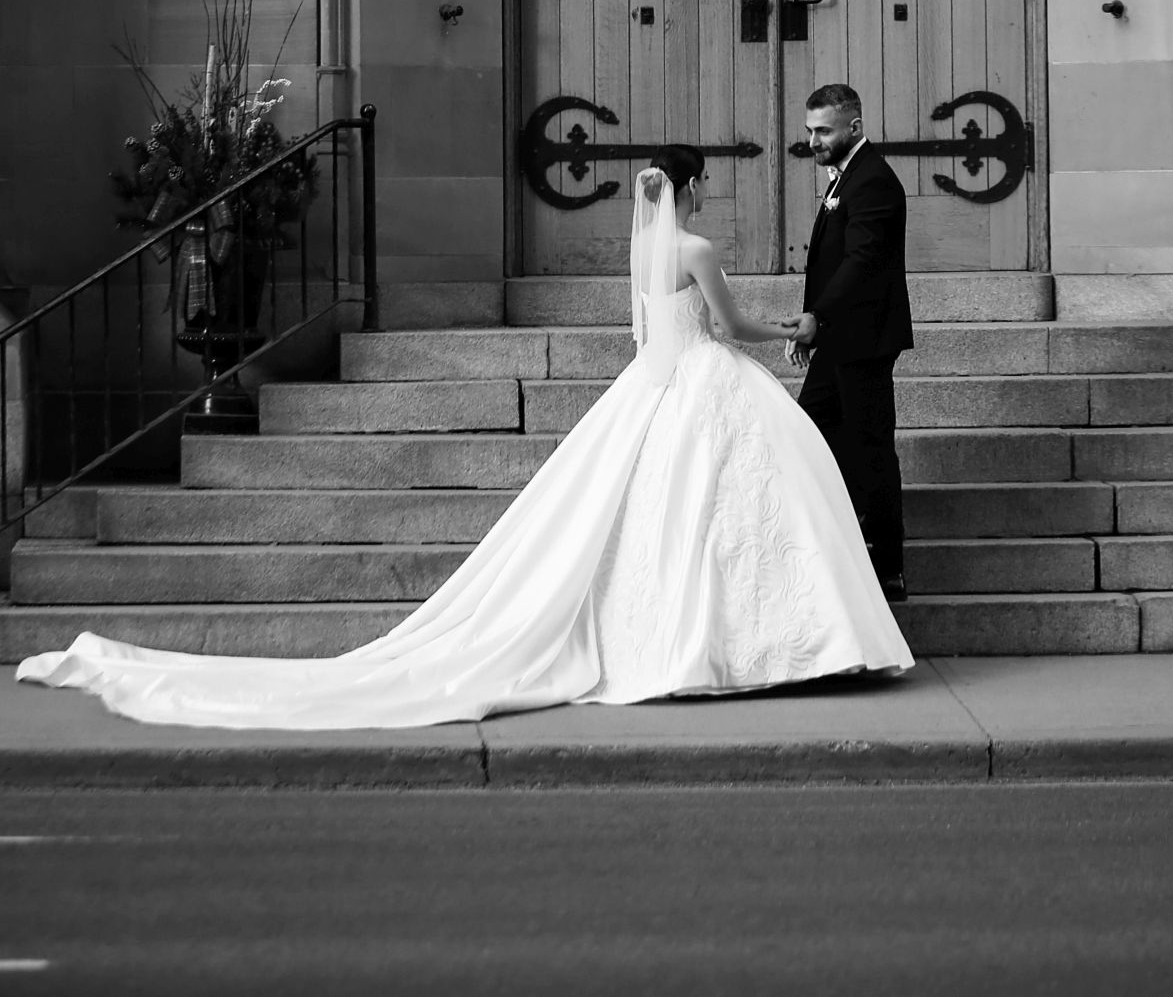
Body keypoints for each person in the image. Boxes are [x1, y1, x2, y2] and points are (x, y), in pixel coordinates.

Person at [18, 143, 912, 729]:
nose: (704, 193)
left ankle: (687, 644)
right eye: (701, 183)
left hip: (650, 389)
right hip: (705, 384)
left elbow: (645, 339)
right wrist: (795, 332)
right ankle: (755, 645)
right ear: (688, 189)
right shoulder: (698, 250)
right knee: (734, 513)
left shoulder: (643, 251)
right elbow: (723, 328)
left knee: (657, 521)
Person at [789, 85, 914, 604]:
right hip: (839, 339)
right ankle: (835, 549)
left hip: (862, 340)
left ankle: (887, 570)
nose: (814, 140)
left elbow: (861, 262)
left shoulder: (874, 182)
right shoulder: (847, 176)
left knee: (869, 449)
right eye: (810, 130)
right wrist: (817, 326)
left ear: (854, 129)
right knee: (810, 435)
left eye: (824, 131)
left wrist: (817, 316)